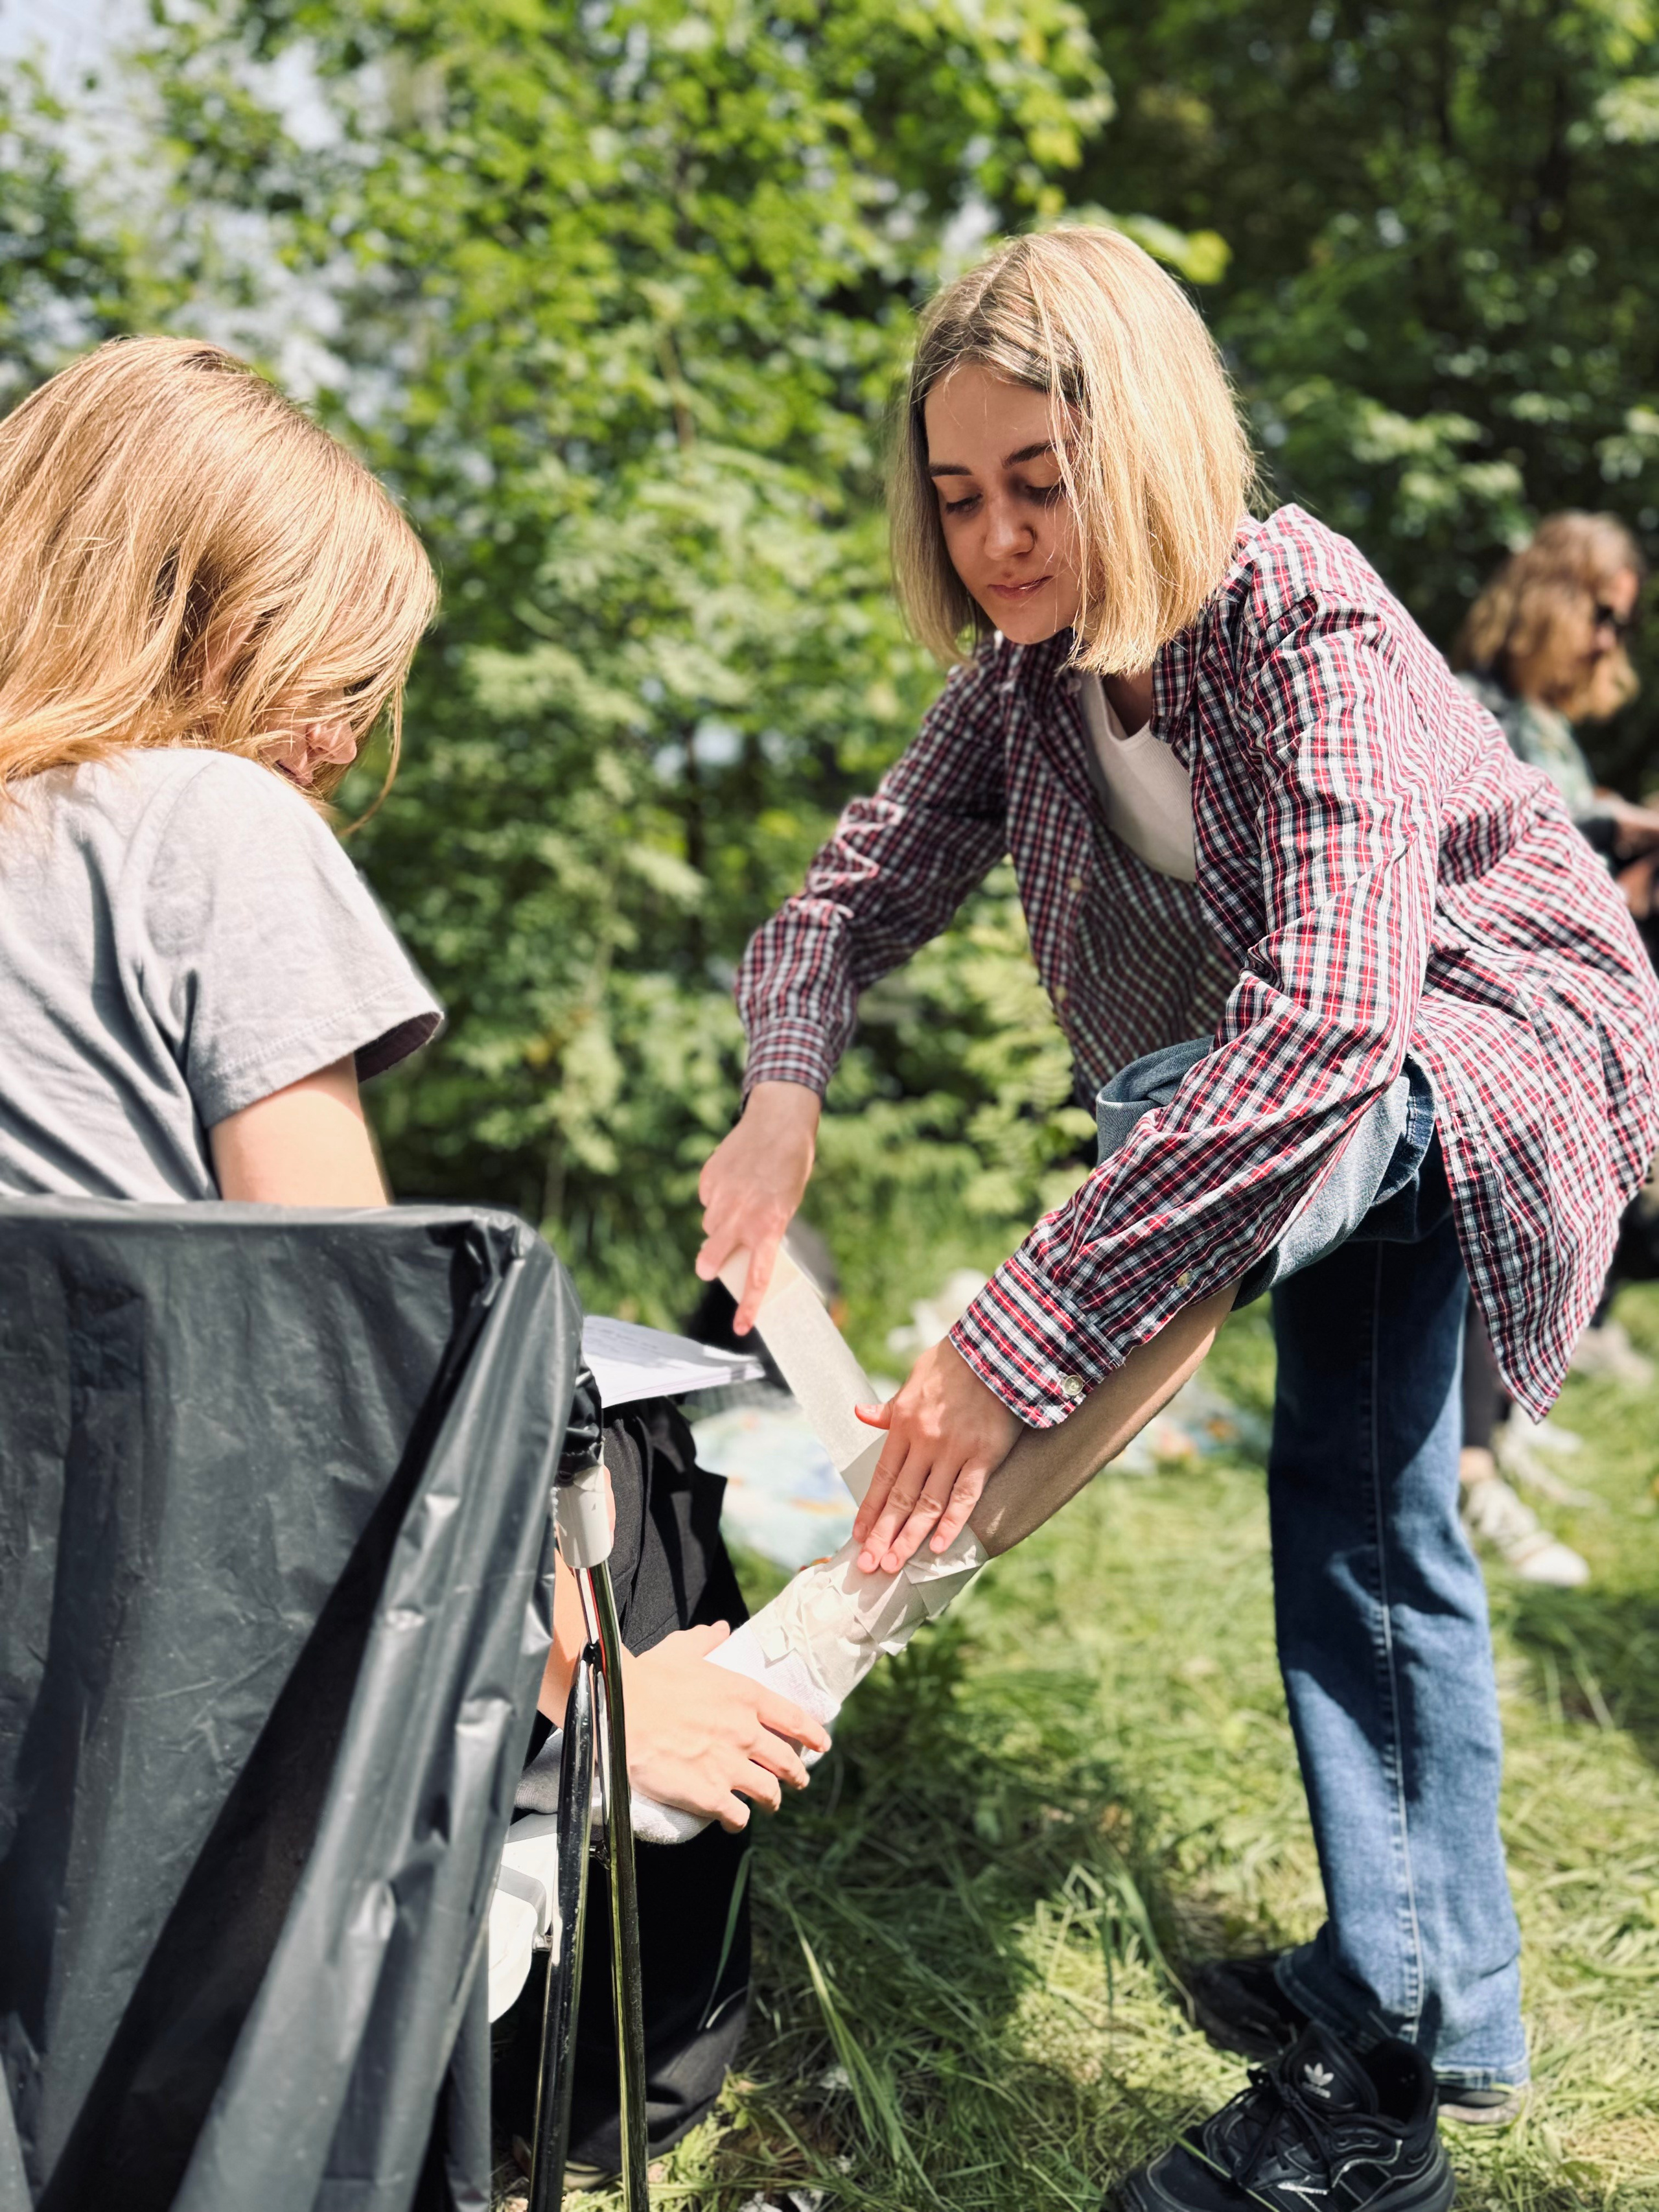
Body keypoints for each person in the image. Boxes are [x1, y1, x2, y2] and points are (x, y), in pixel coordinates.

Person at [695, 227, 1659, 2209]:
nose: (999, 540)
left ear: (1137, 443)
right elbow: (837, 899)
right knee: (1363, 1514)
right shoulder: (1028, 678)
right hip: (1326, 1082)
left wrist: (1008, 1333)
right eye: (957, 496)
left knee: (1183, 1114)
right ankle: (1429, 1989)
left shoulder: (1304, 623)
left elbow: (1319, 1024)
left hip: (1488, 1044)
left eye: (1038, 482)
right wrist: (779, 1096)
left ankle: (841, 1630)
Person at [0, 335, 825, 2179]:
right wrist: (608, 1700)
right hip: (200, 1807)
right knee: (613, 1452)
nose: (350, 746)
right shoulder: (211, 824)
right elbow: (354, 1397)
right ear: (206, 634)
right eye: (338, 679)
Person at [1451, 517, 1658, 1586]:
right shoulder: (1472, 706)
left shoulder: (1552, 725)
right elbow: (1507, 848)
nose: (1608, 641)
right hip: (1490, 1022)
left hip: (1563, 1019)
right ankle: (1472, 1462)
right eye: (1601, 613)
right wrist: (1622, 828)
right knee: (1493, 1220)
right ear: (1551, 595)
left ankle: (1501, 1427)